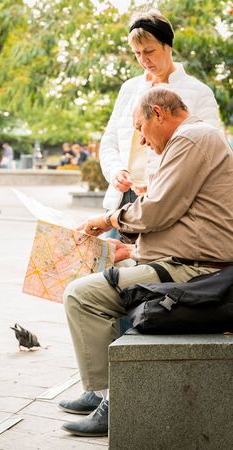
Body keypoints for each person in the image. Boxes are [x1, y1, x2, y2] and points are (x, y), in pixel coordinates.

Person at [59, 88, 233, 437]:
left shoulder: (191, 139)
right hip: (187, 259)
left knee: (81, 295)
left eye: (140, 128)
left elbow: (156, 211)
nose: (140, 138)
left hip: (195, 269)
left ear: (158, 114)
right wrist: (132, 249)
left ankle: (111, 401)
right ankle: (104, 393)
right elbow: (175, 213)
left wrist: (109, 219)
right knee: (102, 276)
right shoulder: (194, 138)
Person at [100, 9, 220, 216]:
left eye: (149, 51)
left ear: (168, 46)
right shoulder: (128, 89)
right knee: (109, 249)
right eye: (137, 53)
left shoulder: (199, 93)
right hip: (122, 199)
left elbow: (209, 154)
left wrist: (162, 184)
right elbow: (110, 141)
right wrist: (115, 172)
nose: (143, 60)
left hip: (168, 202)